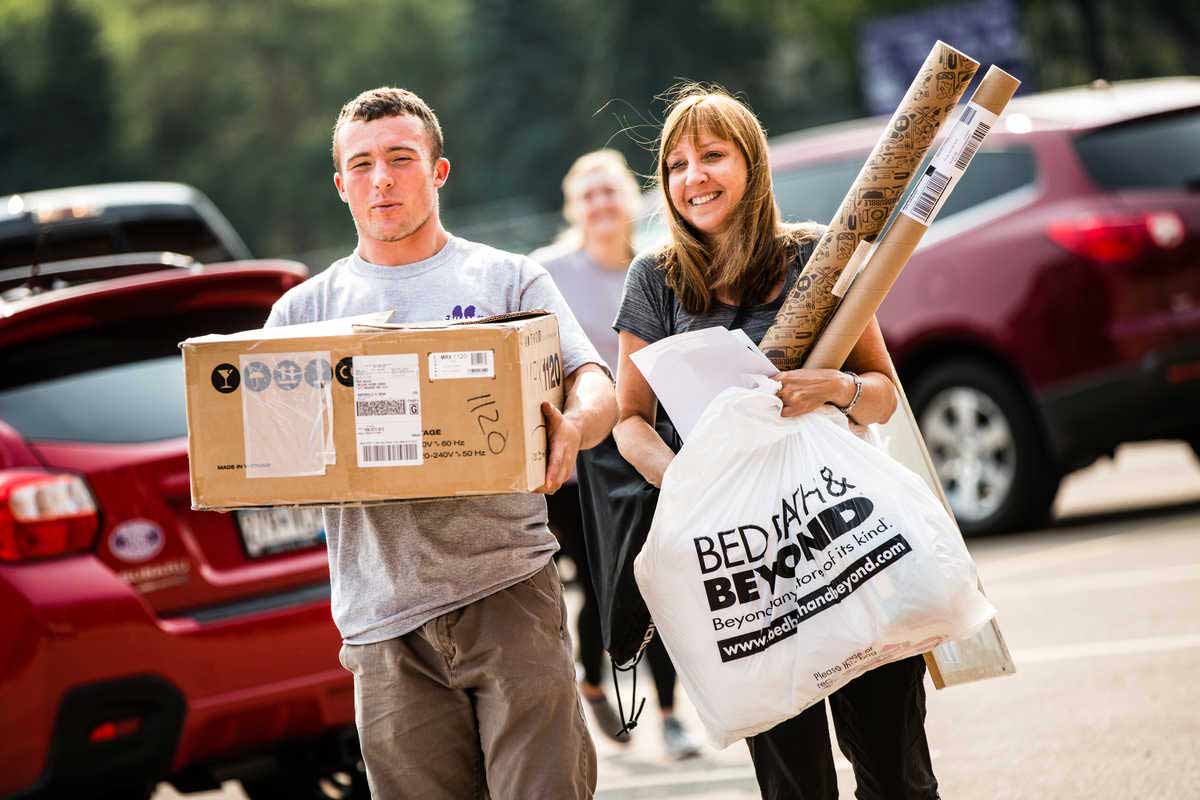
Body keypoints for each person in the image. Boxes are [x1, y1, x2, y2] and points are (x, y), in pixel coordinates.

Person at [265, 87, 616, 800]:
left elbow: (594, 380)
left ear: (439, 171)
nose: (382, 179)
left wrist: (575, 426)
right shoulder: (303, 315)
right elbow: (271, 452)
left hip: (508, 589)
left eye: (401, 158)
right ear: (341, 185)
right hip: (382, 620)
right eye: (361, 165)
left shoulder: (506, 279)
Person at [611, 85, 939, 799]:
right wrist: (686, 478)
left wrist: (832, 389)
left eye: (712, 156)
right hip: (746, 577)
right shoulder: (654, 280)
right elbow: (628, 420)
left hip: (843, 547)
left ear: (751, 165)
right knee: (794, 786)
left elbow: (883, 392)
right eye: (676, 163)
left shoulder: (815, 257)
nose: (693, 176)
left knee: (898, 775)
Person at [532, 149, 700, 760]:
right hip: (574, 467)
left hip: (641, 450)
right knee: (603, 586)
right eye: (588, 195)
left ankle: (671, 715)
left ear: (630, 198)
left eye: (611, 192)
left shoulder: (656, 268)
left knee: (652, 578)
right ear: (574, 208)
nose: (601, 205)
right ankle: (593, 680)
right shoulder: (546, 273)